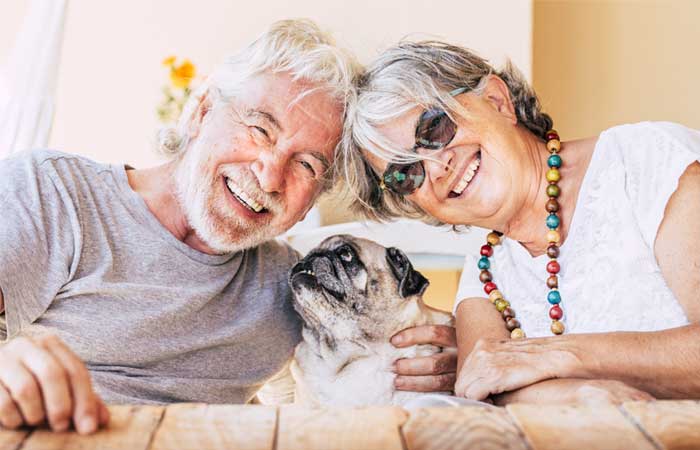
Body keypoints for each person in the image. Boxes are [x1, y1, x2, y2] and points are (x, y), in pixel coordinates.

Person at [0, 21, 457, 435]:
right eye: (260, 130)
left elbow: (390, 348)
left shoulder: (294, 287)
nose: (269, 176)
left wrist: (450, 351)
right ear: (202, 111)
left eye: (306, 165)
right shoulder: (54, 194)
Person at [343, 40, 700, 405]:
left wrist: (560, 355)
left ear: (497, 101)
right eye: (406, 174)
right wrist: (583, 393)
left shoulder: (647, 163)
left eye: (434, 129)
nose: (436, 168)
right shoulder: (486, 271)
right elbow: (486, 389)